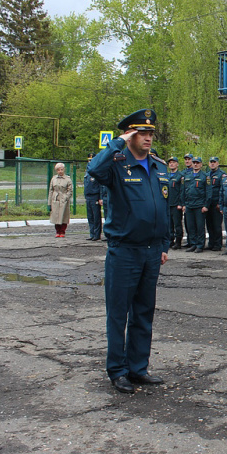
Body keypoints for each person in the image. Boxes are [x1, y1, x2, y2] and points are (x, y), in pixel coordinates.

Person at [87, 108, 169, 394]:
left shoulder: (158, 166)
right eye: (141, 133)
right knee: (118, 314)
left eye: (149, 133)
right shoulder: (116, 164)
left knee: (144, 312)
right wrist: (117, 143)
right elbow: (94, 170)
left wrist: (164, 244)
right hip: (124, 251)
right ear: (130, 135)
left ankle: (138, 368)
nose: (147, 138)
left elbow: (163, 209)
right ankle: (118, 371)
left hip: (151, 251)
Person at [182, 157, 209, 253]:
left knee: (200, 226)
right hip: (189, 205)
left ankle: (200, 245)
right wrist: (183, 204)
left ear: (201, 164)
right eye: (194, 163)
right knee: (190, 226)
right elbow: (183, 191)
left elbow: (208, 192)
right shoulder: (187, 176)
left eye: (197, 163)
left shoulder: (205, 176)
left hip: (199, 205)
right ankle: (193, 244)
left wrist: (206, 205)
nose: (195, 164)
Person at [48, 162, 73, 237]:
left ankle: (62, 231)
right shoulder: (53, 178)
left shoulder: (67, 179)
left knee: (64, 215)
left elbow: (70, 190)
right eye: (58, 170)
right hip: (55, 198)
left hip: (63, 199)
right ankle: (57, 231)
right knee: (55, 215)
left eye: (62, 169)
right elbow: (51, 190)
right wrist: (49, 202)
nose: (60, 171)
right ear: (56, 170)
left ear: (64, 170)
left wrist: (66, 197)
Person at [206, 157, 225, 251]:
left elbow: (223, 190)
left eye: (214, 162)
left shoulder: (221, 175)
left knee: (217, 225)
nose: (212, 164)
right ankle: (211, 243)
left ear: (218, 163)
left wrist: (220, 203)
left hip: (216, 204)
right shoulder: (207, 174)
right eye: (211, 162)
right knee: (209, 225)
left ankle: (218, 244)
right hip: (208, 204)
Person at [84, 153, 103, 240]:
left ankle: (97, 234)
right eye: (89, 160)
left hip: (95, 196)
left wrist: (100, 197)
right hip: (88, 196)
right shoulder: (87, 171)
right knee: (90, 216)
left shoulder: (97, 171)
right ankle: (92, 234)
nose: (90, 162)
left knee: (96, 217)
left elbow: (100, 186)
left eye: (91, 160)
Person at [167, 156, 184, 249]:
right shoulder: (167, 175)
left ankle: (178, 242)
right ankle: (170, 240)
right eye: (170, 163)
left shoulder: (180, 176)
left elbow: (182, 191)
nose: (171, 164)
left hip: (176, 204)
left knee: (177, 224)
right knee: (169, 225)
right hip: (168, 203)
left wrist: (180, 203)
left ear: (177, 164)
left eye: (173, 162)